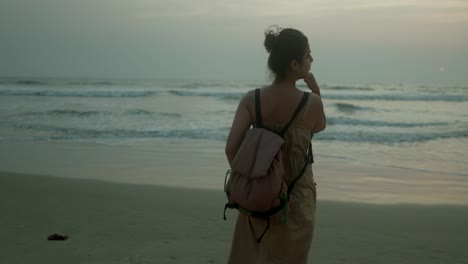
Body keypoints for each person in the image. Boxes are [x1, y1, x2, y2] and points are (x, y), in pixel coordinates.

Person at [224, 25, 326, 263]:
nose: (311, 59)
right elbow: (319, 126)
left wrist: (252, 181)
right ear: (294, 64)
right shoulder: (312, 103)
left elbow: (231, 148)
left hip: (261, 194)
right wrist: (316, 91)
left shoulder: (253, 99)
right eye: (307, 54)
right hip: (298, 197)